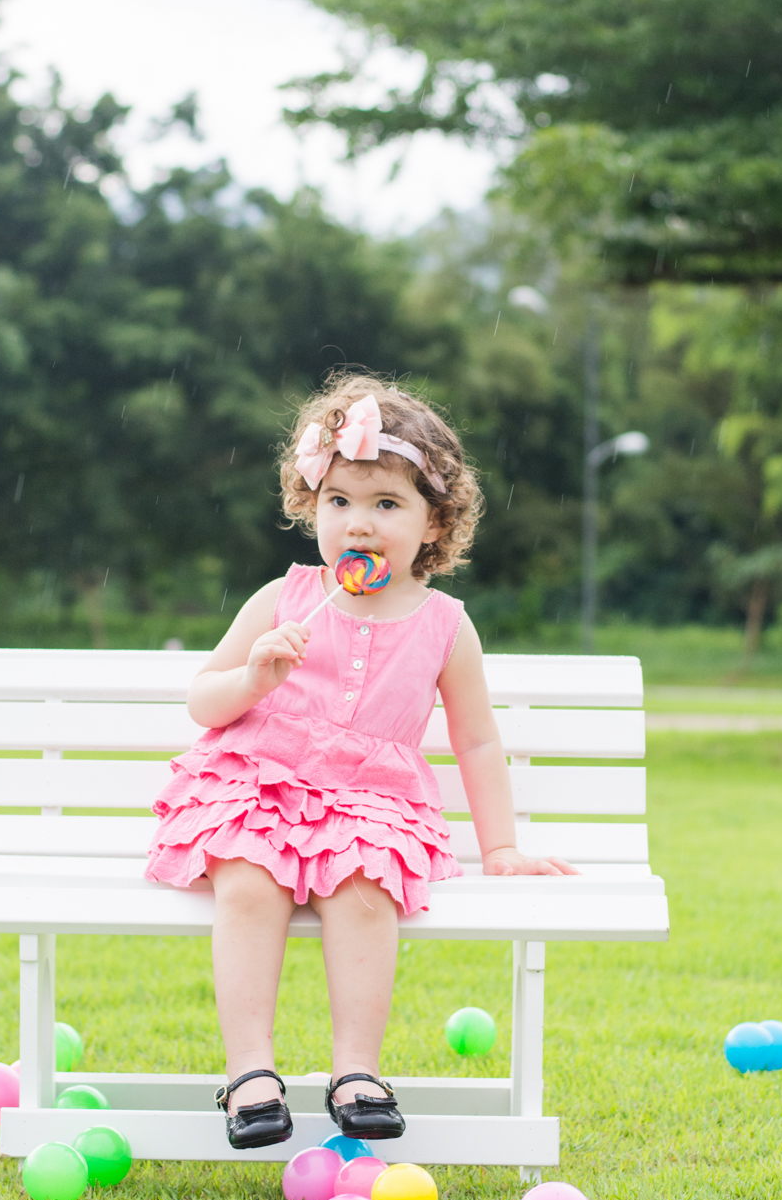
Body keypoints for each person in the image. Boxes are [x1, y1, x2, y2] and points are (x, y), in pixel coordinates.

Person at [145, 371, 576, 1149]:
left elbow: (477, 741)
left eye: (386, 505)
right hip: (263, 788)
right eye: (339, 501)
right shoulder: (284, 599)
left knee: (367, 889)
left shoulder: (445, 625)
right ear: (313, 506)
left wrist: (501, 848)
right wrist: (255, 679)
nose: (359, 524)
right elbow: (204, 700)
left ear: (434, 522)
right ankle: (250, 1073)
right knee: (248, 883)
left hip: (371, 804)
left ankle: (356, 1070)